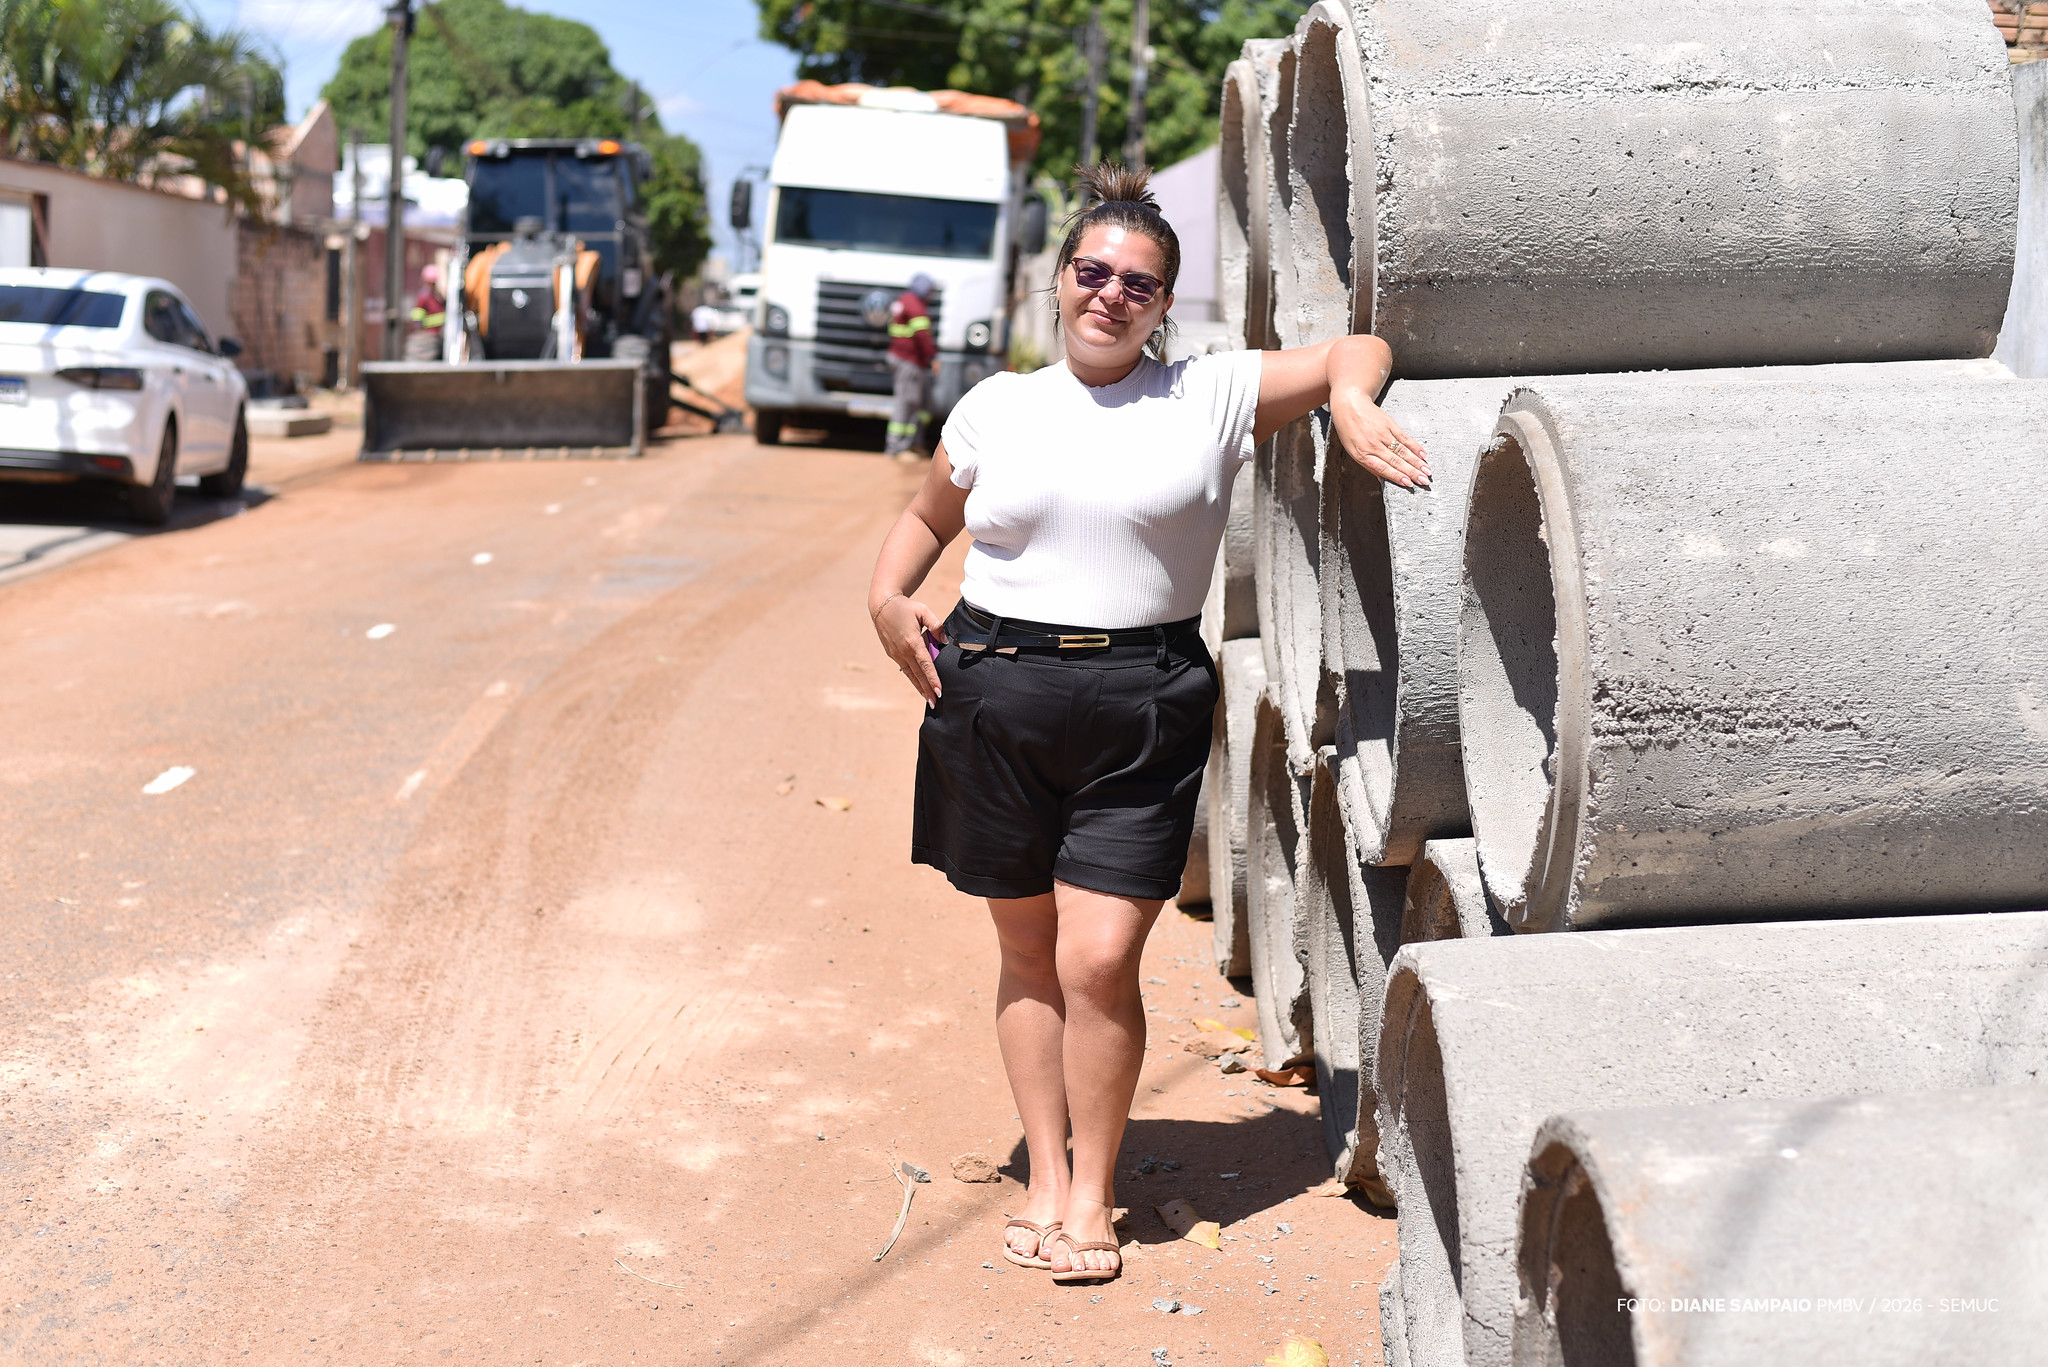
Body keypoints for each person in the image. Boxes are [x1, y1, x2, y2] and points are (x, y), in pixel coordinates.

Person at [865, 164, 1429, 1284]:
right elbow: (927, 519)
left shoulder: (1208, 395)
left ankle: (1090, 1188)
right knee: (1027, 950)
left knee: (1101, 952)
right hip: (994, 689)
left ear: (1164, 303)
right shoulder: (995, 407)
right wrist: (886, 598)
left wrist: (1353, 399)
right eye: (1092, 272)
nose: (1110, 294)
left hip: (1143, 699)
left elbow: (1349, 349)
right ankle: (1042, 1179)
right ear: (1061, 284)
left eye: (1138, 282)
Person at [885, 273, 938, 456]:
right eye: (930, 291)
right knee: (906, 403)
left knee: (923, 405)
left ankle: (913, 443)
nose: (932, 295)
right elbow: (922, 336)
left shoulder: (904, 301)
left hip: (908, 360)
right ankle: (897, 447)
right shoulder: (915, 305)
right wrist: (933, 357)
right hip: (909, 361)